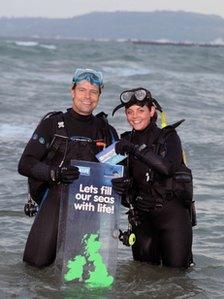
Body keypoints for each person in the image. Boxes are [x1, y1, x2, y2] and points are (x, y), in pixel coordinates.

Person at [18, 68, 118, 268]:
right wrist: (54, 173)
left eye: (93, 91)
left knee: (81, 273)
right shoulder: (52, 124)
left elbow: (116, 172)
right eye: (82, 90)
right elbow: (26, 163)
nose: (87, 96)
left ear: (99, 95)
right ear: (72, 91)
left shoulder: (107, 131)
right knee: (35, 266)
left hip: (89, 205)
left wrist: (122, 182)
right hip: (55, 198)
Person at [112, 87, 195, 268]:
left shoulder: (169, 137)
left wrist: (135, 149)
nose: (135, 116)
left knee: (176, 279)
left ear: (151, 111)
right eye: (129, 112)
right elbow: (120, 183)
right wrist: (123, 189)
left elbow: (167, 168)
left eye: (140, 110)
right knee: (143, 277)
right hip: (141, 219)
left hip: (172, 217)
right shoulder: (124, 141)